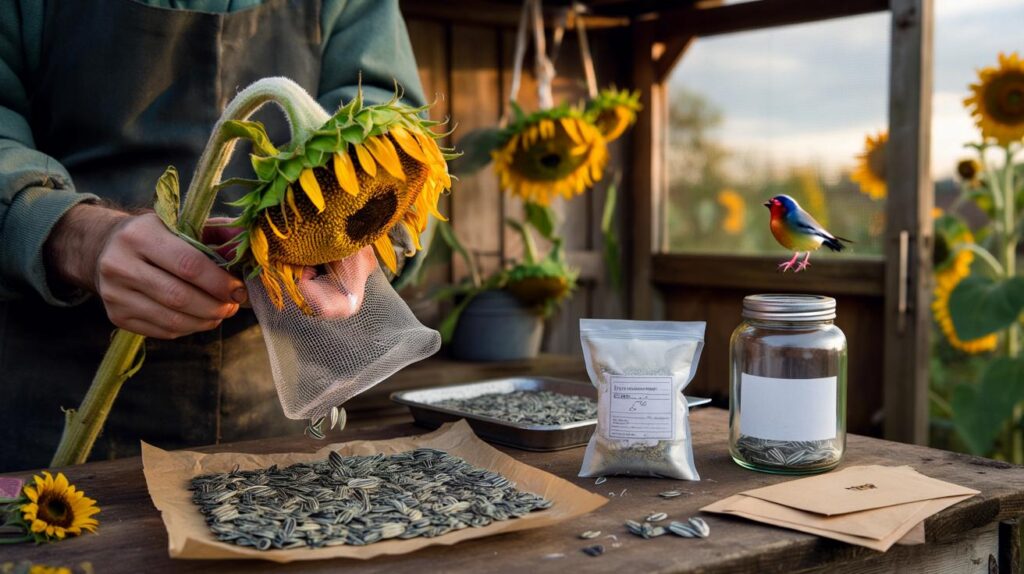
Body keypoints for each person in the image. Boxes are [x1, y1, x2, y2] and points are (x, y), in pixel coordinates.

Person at [0, 0, 425, 472]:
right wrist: (71, 234)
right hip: (57, 399)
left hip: (269, 406)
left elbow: (391, 127)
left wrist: (356, 236)